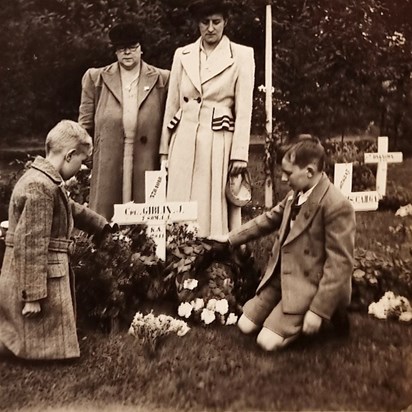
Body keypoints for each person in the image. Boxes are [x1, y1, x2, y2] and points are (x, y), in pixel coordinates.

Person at [211, 136, 356, 351]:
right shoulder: (296, 194)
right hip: (283, 278)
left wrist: (317, 311)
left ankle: (327, 318)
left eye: (288, 173)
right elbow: (268, 219)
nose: (283, 177)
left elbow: (340, 265)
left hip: (309, 285)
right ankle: (283, 316)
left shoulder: (336, 205)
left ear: (309, 171)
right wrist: (231, 238)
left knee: (266, 342)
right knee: (245, 325)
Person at [0, 120, 112, 360]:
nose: (82, 167)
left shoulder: (44, 180)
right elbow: (31, 244)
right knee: (30, 332)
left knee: (31, 334)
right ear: (70, 155)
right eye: (82, 161)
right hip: (37, 273)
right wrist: (32, 296)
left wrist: (101, 225)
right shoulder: (40, 187)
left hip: (43, 267)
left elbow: (69, 208)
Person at [160, 0, 255, 237]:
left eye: (216, 22)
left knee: (210, 201)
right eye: (205, 22)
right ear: (197, 24)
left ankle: (214, 253)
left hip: (217, 138)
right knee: (180, 198)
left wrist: (239, 153)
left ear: (225, 23)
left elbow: (244, 110)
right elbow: (172, 104)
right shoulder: (182, 54)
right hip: (183, 137)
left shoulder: (242, 55)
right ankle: (179, 252)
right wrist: (164, 151)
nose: (210, 28)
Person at [79, 22, 170, 220]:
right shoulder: (96, 78)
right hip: (109, 158)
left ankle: (143, 249)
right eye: (121, 49)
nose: (127, 53)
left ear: (141, 48)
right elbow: (84, 124)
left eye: (132, 47)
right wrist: (85, 155)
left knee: (144, 213)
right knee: (105, 215)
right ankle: (105, 248)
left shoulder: (162, 79)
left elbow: (171, 120)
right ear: (115, 51)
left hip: (147, 157)